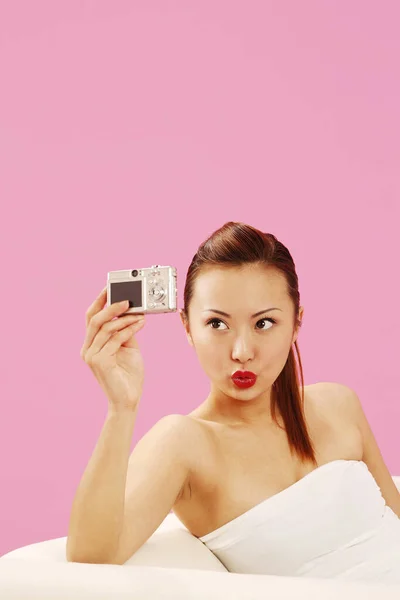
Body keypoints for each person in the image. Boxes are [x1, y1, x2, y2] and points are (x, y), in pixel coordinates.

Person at [66, 221, 400, 583]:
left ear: (296, 323)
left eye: (264, 323)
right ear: (187, 327)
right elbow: (91, 556)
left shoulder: (338, 404)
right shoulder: (185, 443)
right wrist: (121, 407)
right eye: (217, 324)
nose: (242, 352)